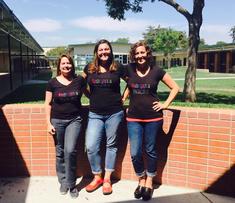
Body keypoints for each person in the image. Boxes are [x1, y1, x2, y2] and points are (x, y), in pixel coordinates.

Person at [122, 41, 179, 201]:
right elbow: (129, 85)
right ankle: (140, 178)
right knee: (135, 152)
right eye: (137, 53)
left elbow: (175, 87)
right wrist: (124, 98)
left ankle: (149, 181)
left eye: (142, 53)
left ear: (147, 54)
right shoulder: (129, 70)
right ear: (134, 56)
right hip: (133, 117)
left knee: (151, 150)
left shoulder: (157, 71)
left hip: (153, 118)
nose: (140, 56)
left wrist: (165, 104)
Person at [82, 39, 126, 195]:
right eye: (101, 50)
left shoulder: (118, 67)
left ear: (110, 50)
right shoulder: (90, 68)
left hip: (115, 113)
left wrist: (123, 98)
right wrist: (89, 96)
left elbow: (131, 82)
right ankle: (97, 176)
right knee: (91, 146)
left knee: (111, 145)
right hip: (95, 114)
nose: (104, 52)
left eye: (106, 49)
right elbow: (81, 84)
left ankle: (107, 179)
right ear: (96, 52)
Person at [45, 54, 86, 198]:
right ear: (59, 66)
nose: (66, 65)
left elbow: (90, 94)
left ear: (72, 65)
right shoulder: (52, 82)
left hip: (74, 120)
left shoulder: (79, 80)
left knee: (70, 150)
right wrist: (48, 122)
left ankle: (71, 184)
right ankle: (62, 182)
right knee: (60, 151)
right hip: (57, 120)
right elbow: (47, 104)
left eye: (68, 63)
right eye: (63, 63)